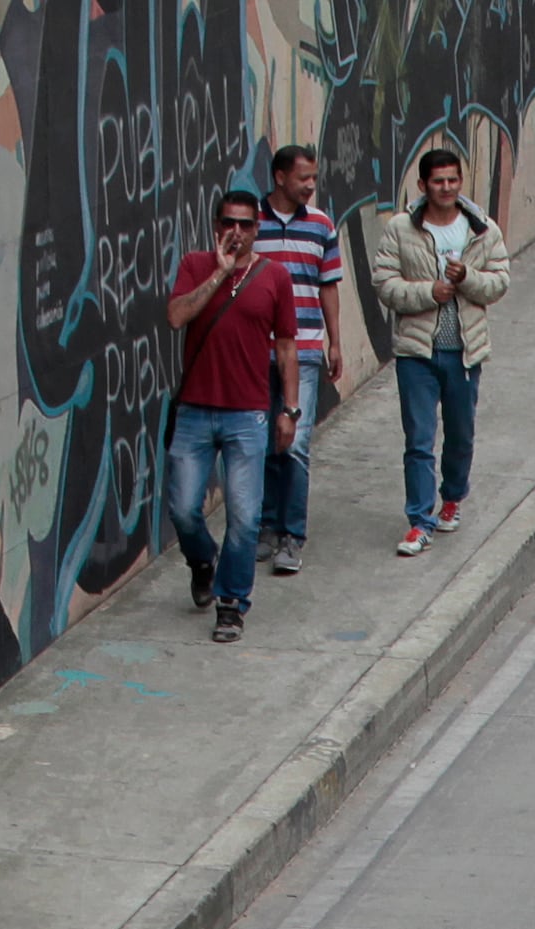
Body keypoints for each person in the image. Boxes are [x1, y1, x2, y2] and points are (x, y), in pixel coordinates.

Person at [358, 147, 511, 555]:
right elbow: (384, 284)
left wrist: (467, 280)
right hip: (417, 354)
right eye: (438, 181)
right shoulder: (400, 229)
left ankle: (452, 497)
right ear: (423, 186)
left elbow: (499, 282)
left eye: (453, 180)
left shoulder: (482, 229)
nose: (446, 188)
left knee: (460, 434)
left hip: (464, 352)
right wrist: (430, 292)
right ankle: (419, 521)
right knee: (419, 438)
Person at [163, 188, 296, 643]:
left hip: (248, 415)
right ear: (215, 225)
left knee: (243, 516)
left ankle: (231, 602)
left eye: (244, 224)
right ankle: (203, 560)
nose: (234, 232)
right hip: (196, 412)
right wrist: (219, 274)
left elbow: (285, 347)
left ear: (257, 229)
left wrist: (289, 410)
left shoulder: (274, 276)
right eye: (226, 223)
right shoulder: (194, 266)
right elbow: (177, 317)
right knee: (182, 509)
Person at [254, 145, 346, 574]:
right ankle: (267, 527)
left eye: (314, 178)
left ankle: (292, 536)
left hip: (306, 351)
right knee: (265, 443)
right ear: (279, 178)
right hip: (256, 353)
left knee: (296, 445)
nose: (311, 185)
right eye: (303, 178)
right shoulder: (251, 223)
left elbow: (328, 285)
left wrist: (335, 341)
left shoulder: (322, 225)